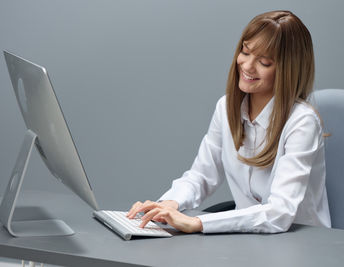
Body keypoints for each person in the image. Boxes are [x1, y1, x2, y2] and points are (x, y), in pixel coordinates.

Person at [127, 10, 331, 234]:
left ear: (288, 70)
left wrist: (198, 223)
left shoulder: (302, 122)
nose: (247, 66)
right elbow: (201, 176)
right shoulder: (225, 108)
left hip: (303, 245)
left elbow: (279, 213)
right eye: (245, 51)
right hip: (249, 240)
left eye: (264, 62)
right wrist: (168, 205)